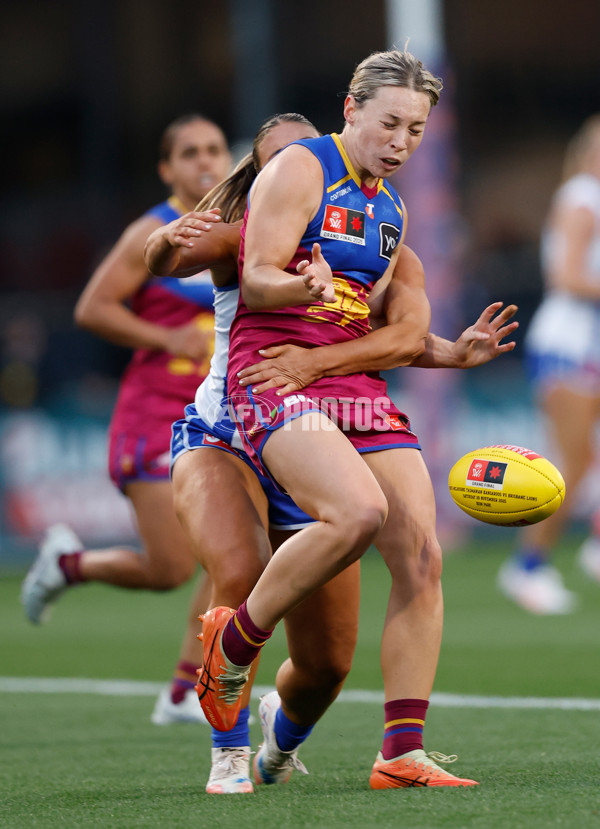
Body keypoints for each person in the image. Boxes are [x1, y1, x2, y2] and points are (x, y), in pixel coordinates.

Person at [172, 49, 518, 791]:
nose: (401, 140)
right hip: (274, 374)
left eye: (416, 129)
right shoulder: (301, 166)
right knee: (358, 510)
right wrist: (299, 282)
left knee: (422, 554)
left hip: (349, 386)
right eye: (390, 122)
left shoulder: (389, 209)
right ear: (351, 110)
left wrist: (450, 351)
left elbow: (370, 322)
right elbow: (257, 277)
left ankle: (400, 752)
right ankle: (232, 650)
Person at [20, 113, 232, 726]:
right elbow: (92, 307)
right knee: (169, 568)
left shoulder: (238, 228)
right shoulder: (155, 229)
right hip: (153, 413)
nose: (205, 162)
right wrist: (167, 339)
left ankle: (185, 688)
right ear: (167, 169)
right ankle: (69, 564)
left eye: (214, 149)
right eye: (189, 152)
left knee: (235, 552)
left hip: (216, 415)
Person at [497, 115, 600, 615]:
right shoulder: (584, 195)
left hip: (588, 341)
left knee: (583, 457)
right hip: (571, 341)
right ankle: (527, 566)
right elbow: (565, 276)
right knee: (572, 460)